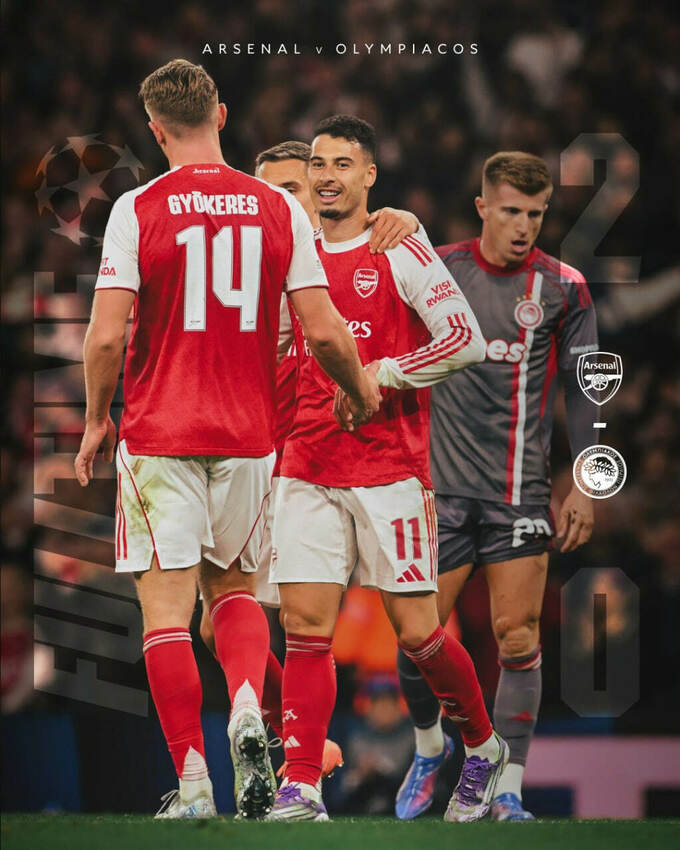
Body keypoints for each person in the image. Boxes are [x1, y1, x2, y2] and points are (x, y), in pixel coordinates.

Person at [74, 60, 380, 820]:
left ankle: (194, 783)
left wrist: (95, 419)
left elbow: (105, 336)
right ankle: (247, 701)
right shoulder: (278, 209)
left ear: (155, 131)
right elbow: (323, 330)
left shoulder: (137, 208)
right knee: (235, 593)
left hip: (159, 433)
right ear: (221, 113)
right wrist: (359, 387)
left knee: (167, 614)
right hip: (249, 438)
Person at [266, 115, 508, 824]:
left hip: (389, 469)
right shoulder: (292, 253)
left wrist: (382, 372)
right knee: (305, 631)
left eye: (343, 164)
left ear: (370, 175)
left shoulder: (396, 244)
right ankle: (301, 786)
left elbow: (465, 338)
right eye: (319, 164)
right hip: (305, 463)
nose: (328, 176)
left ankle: (483, 746)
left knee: (418, 635)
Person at [196, 139, 417, 780]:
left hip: (309, 466)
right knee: (218, 624)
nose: (279, 205)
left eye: (291, 191)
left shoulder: (331, 262)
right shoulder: (247, 264)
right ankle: (284, 731)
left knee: (297, 623)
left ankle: (303, 750)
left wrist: (401, 220)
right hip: (245, 451)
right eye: (267, 194)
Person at [395, 151, 598, 822]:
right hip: (439, 493)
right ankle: (430, 746)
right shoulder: (438, 270)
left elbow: (587, 388)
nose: (524, 226)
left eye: (536, 214)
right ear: (483, 207)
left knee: (518, 637)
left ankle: (507, 789)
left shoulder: (564, 287)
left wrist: (587, 481)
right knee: (417, 637)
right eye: (511, 211)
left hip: (519, 495)